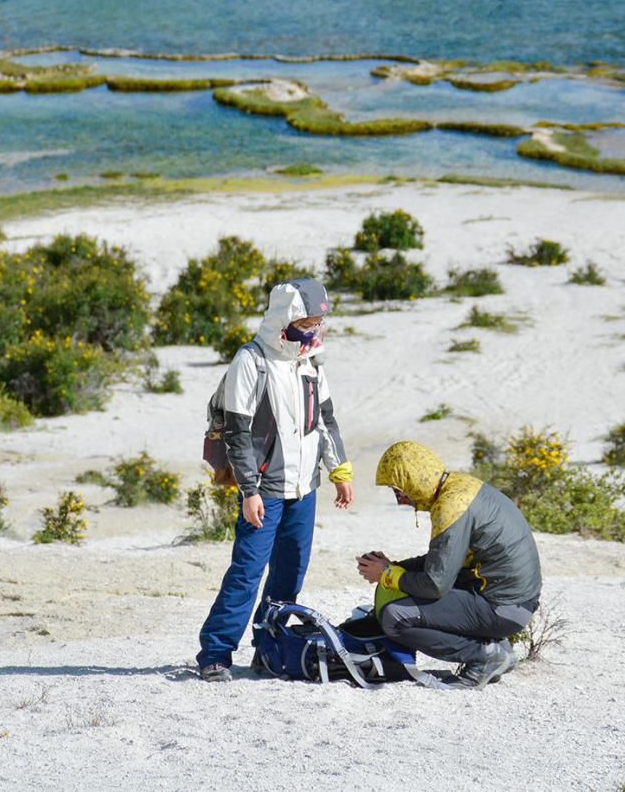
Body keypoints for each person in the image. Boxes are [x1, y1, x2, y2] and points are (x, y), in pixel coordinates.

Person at [197, 277, 353, 682]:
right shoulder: (251, 361)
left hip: (305, 489)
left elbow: (326, 420)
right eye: (309, 322)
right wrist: (249, 491)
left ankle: (268, 649)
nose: (315, 330)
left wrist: (340, 471)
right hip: (264, 490)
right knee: (247, 571)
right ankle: (215, 653)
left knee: (290, 571)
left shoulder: (310, 363)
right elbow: (237, 432)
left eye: (319, 322)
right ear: (286, 319)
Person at [356, 440, 542, 689]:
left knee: (395, 615)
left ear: (415, 478)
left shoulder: (451, 506)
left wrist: (387, 575)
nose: (400, 501)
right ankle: (495, 649)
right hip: (512, 601)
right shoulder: (460, 489)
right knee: (403, 595)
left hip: (502, 607)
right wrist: (393, 566)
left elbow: (435, 584)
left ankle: (484, 656)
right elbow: (443, 562)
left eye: (399, 491)